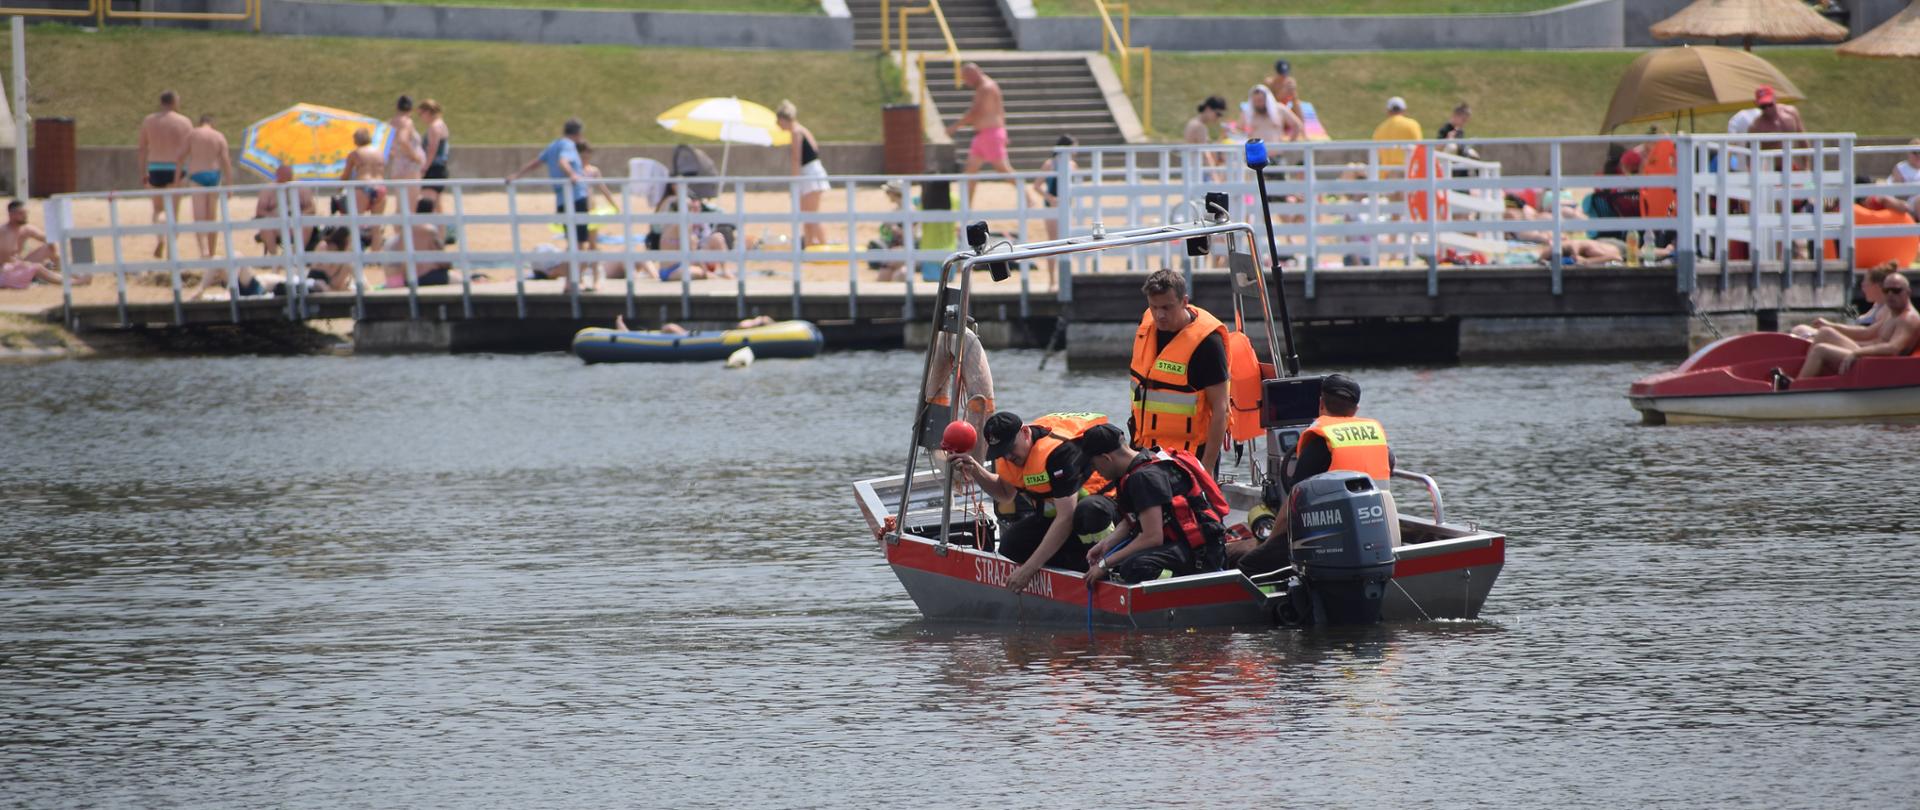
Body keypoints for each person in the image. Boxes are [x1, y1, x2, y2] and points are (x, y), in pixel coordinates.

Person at [1227, 374, 1394, 573]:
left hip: (1328, 537)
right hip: (1380, 530)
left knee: (1246, 564)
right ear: (1356, 409)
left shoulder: (1320, 441)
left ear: (1321, 403)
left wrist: (1268, 542)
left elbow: (1292, 505)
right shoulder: (1375, 435)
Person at [952, 411, 1120, 593]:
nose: (1008, 456)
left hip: (1102, 512)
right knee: (1011, 545)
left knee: (1089, 512)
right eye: (1001, 452)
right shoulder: (1011, 457)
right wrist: (975, 469)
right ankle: (1066, 572)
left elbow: (1066, 517)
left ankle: (1109, 568)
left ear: (1025, 433)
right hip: (1061, 520)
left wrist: (1029, 569)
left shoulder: (1059, 453)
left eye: (1010, 448)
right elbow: (1005, 494)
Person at [1078, 423, 1230, 584]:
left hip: (1202, 553)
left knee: (1133, 567)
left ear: (1106, 458)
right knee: (1121, 561)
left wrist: (1104, 564)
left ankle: (1185, 585)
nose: (1095, 471)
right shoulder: (1144, 460)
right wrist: (1106, 545)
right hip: (1184, 544)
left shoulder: (1143, 477)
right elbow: (1134, 519)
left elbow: (1152, 537)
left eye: (1094, 464)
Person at [1129, 268, 1230, 475]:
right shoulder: (1146, 325)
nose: (1160, 315)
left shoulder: (1207, 343)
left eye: (1167, 307)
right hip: (1145, 451)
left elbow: (1221, 410)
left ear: (1184, 301)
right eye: (1154, 306)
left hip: (1189, 458)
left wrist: (1207, 467)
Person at [1781, 272, 1920, 385]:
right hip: (1869, 357)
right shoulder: (1892, 313)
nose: (1890, 295)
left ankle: (1796, 387)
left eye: (1896, 291)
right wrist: (1831, 325)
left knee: (1820, 349)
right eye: (1886, 290)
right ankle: (1807, 378)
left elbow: (1893, 348)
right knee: (1825, 333)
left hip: (1879, 366)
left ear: (1908, 292)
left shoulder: (1908, 318)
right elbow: (1866, 332)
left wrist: (1857, 353)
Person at [508, 118, 591, 255]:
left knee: (571, 240)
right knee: (580, 242)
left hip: (561, 199)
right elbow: (563, 161)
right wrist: (572, 174)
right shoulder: (568, 145)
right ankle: (575, 270)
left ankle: (571, 269)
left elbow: (536, 163)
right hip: (576, 197)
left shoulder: (554, 145)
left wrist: (518, 175)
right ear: (578, 133)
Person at [136, 90, 193, 259]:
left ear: (161, 103)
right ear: (174, 102)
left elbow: (142, 149)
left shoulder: (149, 121)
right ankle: (171, 250)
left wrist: (143, 172)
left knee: (158, 209)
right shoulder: (184, 122)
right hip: (176, 168)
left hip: (155, 166)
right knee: (173, 211)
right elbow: (190, 147)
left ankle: (160, 239)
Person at [946, 62, 1013, 205]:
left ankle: (1027, 198)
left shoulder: (986, 88)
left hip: (991, 134)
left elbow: (975, 113)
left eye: (966, 79)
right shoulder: (986, 87)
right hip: (983, 135)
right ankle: (966, 207)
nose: (966, 83)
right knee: (970, 171)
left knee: (1003, 169)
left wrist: (954, 127)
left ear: (973, 75)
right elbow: (1000, 110)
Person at [174, 114, 235, 259]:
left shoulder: (193, 134)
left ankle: (203, 251)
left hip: (197, 175)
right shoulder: (219, 136)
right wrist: (230, 185)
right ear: (212, 123)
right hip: (214, 175)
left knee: (199, 216)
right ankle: (212, 252)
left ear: (200, 122)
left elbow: (180, 157)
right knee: (212, 217)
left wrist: (177, 181)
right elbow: (226, 161)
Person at [775, 100, 830, 248]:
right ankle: (816, 243)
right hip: (813, 172)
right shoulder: (802, 130)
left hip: (810, 174)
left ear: (783, 119)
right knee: (810, 215)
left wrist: (794, 183)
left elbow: (796, 159)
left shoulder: (796, 132)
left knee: (809, 215)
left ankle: (816, 244)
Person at [1794, 265, 1895, 337]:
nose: (1862, 288)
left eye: (1865, 284)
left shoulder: (1887, 310)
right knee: (1800, 330)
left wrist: (1830, 325)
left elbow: (1866, 333)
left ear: (1877, 286)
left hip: (1859, 346)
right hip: (1852, 340)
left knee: (1802, 330)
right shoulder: (1877, 305)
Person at [1029, 135, 1077, 285]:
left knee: (1069, 242)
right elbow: (1036, 185)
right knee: (1053, 243)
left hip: (1067, 206)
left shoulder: (1072, 164)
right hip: (1052, 206)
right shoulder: (1050, 163)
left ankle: (1065, 279)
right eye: (1073, 147)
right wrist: (1050, 198)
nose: (1075, 150)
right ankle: (1051, 280)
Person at [0, 200, 73, 289]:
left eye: (26, 213)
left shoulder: (26, 229)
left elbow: (49, 239)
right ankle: (72, 281)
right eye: (21, 213)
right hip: (5, 268)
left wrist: (56, 257)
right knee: (38, 267)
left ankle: (66, 270)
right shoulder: (3, 232)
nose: (25, 216)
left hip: (19, 263)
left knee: (49, 248)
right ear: (11, 215)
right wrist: (23, 264)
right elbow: (5, 259)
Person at [340, 127, 390, 251]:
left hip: (363, 186)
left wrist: (339, 188)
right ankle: (376, 256)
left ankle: (353, 254)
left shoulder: (355, 153)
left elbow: (346, 175)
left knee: (355, 224)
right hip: (380, 187)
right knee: (376, 227)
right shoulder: (379, 152)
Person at [254, 164, 317, 257]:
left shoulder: (302, 188)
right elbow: (260, 211)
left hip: (296, 222)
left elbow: (312, 208)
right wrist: (273, 216)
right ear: (277, 175)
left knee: (307, 225)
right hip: (275, 223)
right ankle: (274, 257)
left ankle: (295, 256)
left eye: (287, 175)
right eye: (282, 175)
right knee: (265, 226)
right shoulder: (268, 190)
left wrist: (300, 214)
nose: (285, 179)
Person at [386, 96, 428, 215]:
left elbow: (388, 143)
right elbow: (403, 140)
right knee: (411, 206)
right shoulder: (406, 122)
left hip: (397, 164)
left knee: (401, 205)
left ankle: (400, 227)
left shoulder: (391, 122)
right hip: (409, 166)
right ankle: (406, 228)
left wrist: (394, 153)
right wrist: (415, 157)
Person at [1371, 96, 1423, 176]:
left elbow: (1377, 153)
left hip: (1386, 174)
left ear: (1388, 111)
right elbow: (1419, 147)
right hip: (1408, 171)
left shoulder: (1380, 128)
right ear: (1404, 110)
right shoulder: (1412, 125)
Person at [418, 99, 452, 212]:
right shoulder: (441, 124)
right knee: (437, 204)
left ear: (428, 112)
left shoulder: (434, 126)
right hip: (440, 168)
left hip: (434, 168)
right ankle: (442, 224)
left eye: (421, 114)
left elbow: (432, 149)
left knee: (428, 203)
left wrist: (424, 168)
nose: (421, 118)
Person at [1888, 139, 1920, 214]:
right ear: (1908, 153)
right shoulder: (1900, 168)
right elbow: (1899, 194)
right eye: (1915, 152)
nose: (1918, 156)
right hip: (1907, 202)